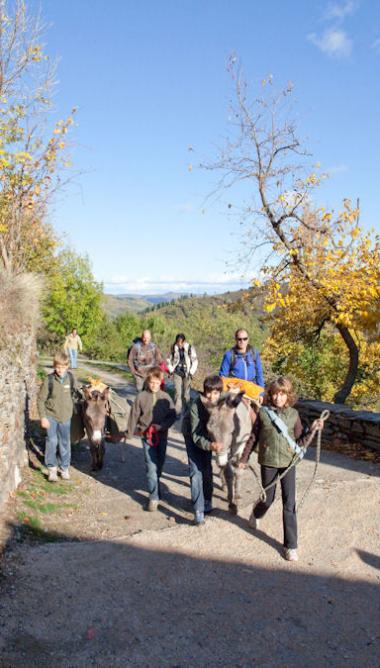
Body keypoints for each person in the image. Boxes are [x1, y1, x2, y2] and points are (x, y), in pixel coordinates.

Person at [239, 376, 324, 562]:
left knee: (289, 504)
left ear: (288, 396)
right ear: (270, 395)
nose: (278, 398)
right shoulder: (263, 414)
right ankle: (256, 513)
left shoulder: (294, 415)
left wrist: (313, 430)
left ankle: (291, 546)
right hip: (268, 461)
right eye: (275, 394)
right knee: (267, 499)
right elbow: (253, 438)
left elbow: (300, 441)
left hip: (288, 463)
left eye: (282, 394)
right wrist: (244, 458)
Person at [127, 366, 176, 511]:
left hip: (161, 436)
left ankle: (156, 485)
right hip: (146, 436)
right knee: (151, 467)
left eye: (157, 382)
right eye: (151, 382)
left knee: (159, 465)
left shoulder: (166, 397)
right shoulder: (141, 397)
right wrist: (129, 431)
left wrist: (162, 426)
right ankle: (153, 497)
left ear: (161, 382)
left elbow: (172, 416)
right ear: (147, 382)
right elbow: (133, 415)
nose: (154, 385)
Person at [182, 375, 223, 525]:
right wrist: (211, 445)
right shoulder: (195, 406)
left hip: (208, 435)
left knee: (206, 469)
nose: (212, 396)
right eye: (209, 392)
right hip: (192, 434)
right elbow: (196, 435)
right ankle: (198, 510)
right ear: (204, 391)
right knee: (196, 471)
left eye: (216, 393)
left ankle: (207, 500)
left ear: (220, 393)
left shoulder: (222, 402)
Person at [37, 351, 78, 482]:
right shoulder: (49, 380)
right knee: (52, 441)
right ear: (54, 366)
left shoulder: (71, 378)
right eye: (57, 367)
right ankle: (52, 469)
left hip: (66, 416)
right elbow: (40, 400)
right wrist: (43, 417)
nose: (60, 370)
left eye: (63, 367)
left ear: (67, 366)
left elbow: (75, 395)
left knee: (65, 443)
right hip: (51, 416)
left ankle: (64, 467)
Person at [167, 333, 198, 416]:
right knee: (177, 392)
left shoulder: (190, 348)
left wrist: (191, 372)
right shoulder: (173, 348)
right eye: (178, 342)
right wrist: (171, 369)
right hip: (177, 372)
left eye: (181, 342)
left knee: (186, 394)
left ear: (184, 341)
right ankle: (177, 412)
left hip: (187, 373)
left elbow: (195, 361)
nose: (179, 344)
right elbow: (168, 360)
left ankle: (187, 411)